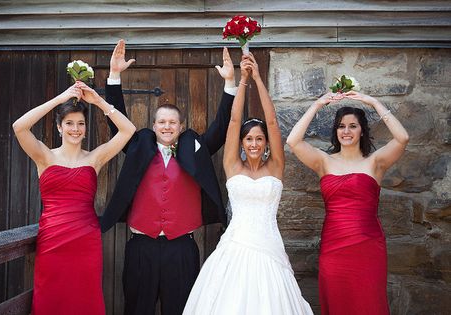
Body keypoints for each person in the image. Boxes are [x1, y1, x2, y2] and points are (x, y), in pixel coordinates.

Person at [99, 39, 237, 315]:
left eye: (172, 122)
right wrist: (114, 77)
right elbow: (116, 122)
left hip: (181, 249)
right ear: (153, 125)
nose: (167, 126)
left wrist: (230, 83)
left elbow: (221, 127)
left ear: (181, 126)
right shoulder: (138, 146)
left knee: (181, 310)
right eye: (161, 121)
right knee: (137, 310)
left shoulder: (195, 149)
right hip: (141, 248)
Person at [183, 53, 314, 315]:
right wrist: (242, 80)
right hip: (235, 244)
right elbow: (233, 121)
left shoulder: (275, 168)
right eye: (248, 139)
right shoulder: (233, 166)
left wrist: (257, 77)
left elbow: (273, 121)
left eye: (259, 139)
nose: (253, 144)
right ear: (242, 143)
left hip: (269, 245)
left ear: (266, 143)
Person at [12, 81, 136, 314]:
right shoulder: (44, 156)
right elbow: (19, 127)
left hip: (85, 241)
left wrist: (98, 101)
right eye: (69, 123)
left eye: (81, 124)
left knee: (84, 299)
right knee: (51, 298)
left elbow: (128, 130)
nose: (75, 129)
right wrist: (60, 99)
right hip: (52, 241)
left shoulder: (95, 158)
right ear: (59, 127)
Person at [286, 91, 409, 314]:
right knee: (338, 302)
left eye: (353, 126)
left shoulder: (375, 163)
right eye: (341, 126)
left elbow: (402, 139)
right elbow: (293, 141)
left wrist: (373, 102)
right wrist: (317, 104)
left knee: (369, 303)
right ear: (335, 131)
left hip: (368, 246)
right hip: (334, 248)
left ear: (362, 131)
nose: (346, 131)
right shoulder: (324, 161)